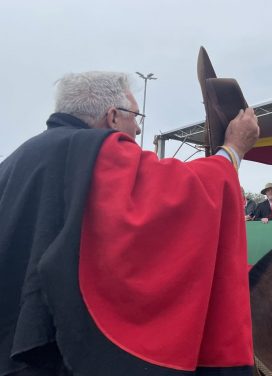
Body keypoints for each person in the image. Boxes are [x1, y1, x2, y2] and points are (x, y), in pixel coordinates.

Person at [0, 72, 258, 376]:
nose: (137, 127)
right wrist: (233, 151)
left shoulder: (15, 161)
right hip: (56, 359)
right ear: (111, 117)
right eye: (136, 116)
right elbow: (176, 193)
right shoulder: (94, 149)